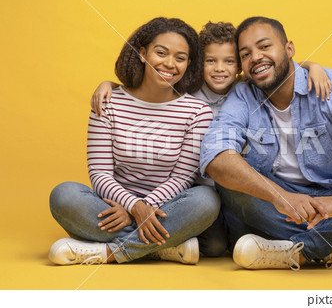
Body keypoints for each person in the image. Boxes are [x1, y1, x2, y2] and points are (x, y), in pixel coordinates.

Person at [90, 21, 332, 257]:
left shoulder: (249, 90)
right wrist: (110, 85)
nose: (219, 69)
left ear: (240, 65)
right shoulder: (188, 94)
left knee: (231, 242)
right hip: (195, 190)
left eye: (229, 61)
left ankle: (151, 244)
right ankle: (160, 245)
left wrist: (313, 66)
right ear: (198, 64)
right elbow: (152, 89)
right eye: (210, 61)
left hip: (240, 189)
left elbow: (281, 69)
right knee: (215, 244)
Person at [199, 16, 332, 270]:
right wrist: (282, 197)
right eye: (245, 54)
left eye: (265, 46)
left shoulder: (329, 84)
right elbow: (217, 156)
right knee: (229, 183)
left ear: (289, 49)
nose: (255, 57)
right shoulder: (243, 95)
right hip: (278, 203)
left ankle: (299, 251)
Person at [48, 17, 221, 265]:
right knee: (63, 195)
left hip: (168, 208)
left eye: (180, 58)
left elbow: (182, 178)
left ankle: (108, 252)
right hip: (114, 203)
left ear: (189, 64)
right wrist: (133, 207)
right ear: (142, 54)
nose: (170, 64)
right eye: (161, 53)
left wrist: (143, 209)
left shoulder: (197, 112)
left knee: (206, 200)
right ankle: (165, 246)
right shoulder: (107, 102)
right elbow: (99, 174)